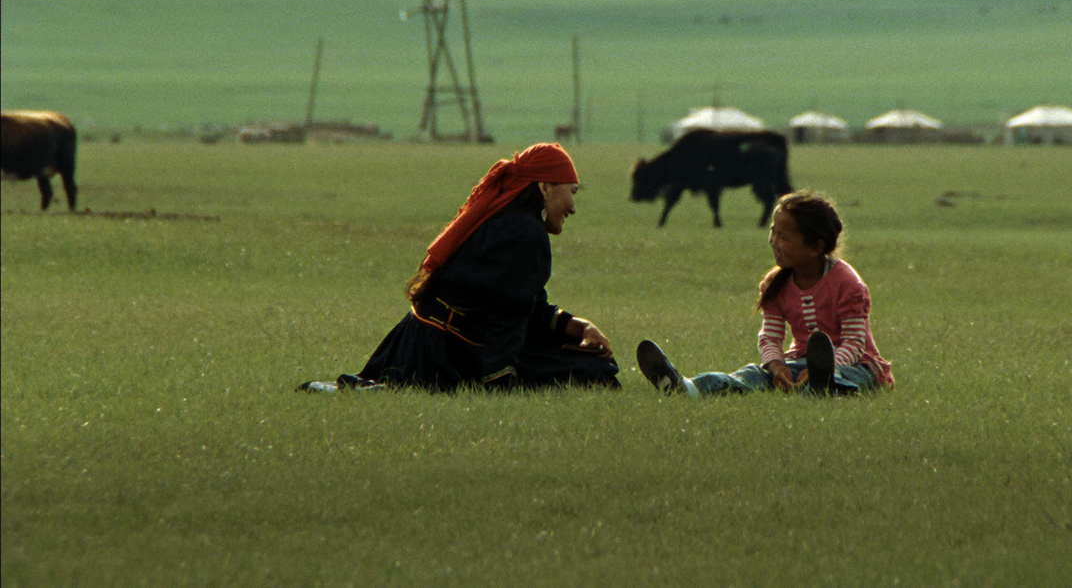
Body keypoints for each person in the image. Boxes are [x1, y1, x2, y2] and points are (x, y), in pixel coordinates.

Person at [299, 143, 620, 393]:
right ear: (545, 188)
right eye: (572, 193)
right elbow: (508, 317)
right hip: (451, 352)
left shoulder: (508, 223)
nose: (574, 207)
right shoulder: (525, 234)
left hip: (419, 339)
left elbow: (526, 307)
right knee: (597, 371)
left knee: (584, 358)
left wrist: (581, 328)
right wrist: (500, 382)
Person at [637, 190, 893, 396]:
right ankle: (690, 387)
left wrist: (828, 367)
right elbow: (770, 336)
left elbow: (855, 343)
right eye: (773, 232)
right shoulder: (776, 282)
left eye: (784, 237)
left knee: (846, 378)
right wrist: (776, 366)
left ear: (816, 247)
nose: (773, 242)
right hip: (798, 362)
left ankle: (824, 384)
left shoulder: (848, 284)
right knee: (751, 375)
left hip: (857, 365)